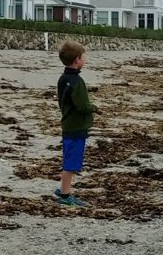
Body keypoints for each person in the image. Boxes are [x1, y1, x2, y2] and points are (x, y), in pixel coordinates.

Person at [54, 40, 98, 207]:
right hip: (76, 126)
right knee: (71, 162)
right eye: (83, 57)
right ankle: (65, 195)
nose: (84, 60)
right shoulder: (76, 82)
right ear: (77, 59)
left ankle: (63, 189)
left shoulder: (63, 78)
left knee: (69, 157)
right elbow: (82, 105)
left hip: (67, 123)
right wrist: (94, 108)